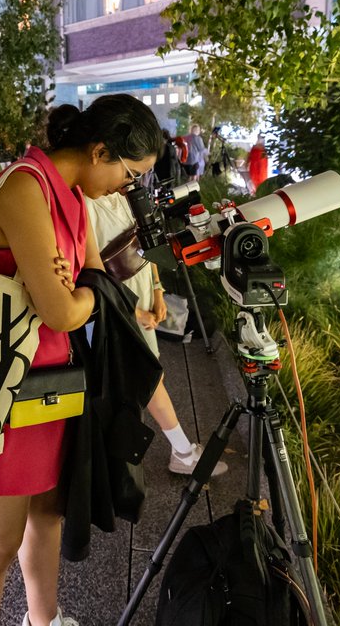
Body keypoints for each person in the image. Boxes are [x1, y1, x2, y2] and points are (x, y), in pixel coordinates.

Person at [0, 94, 164, 626]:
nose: (129, 186)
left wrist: (82, 291)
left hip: (53, 382)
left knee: (47, 517)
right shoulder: (25, 185)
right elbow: (64, 310)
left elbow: (90, 280)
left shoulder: (70, 192)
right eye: (129, 172)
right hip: (3, 390)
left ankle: (43, 619)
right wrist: (82, 294)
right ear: (99, 151)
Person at [86, 191, 229, 478]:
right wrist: (133, 311)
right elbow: (89, 270)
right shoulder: (85, 204)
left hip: (136, 300)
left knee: (143, 376)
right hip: (115, 306)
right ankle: (181, 451)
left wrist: (157, 290)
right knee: (148, 376)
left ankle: (177, 451)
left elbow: (147, 245)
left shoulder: (125, 196)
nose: (132, 175)